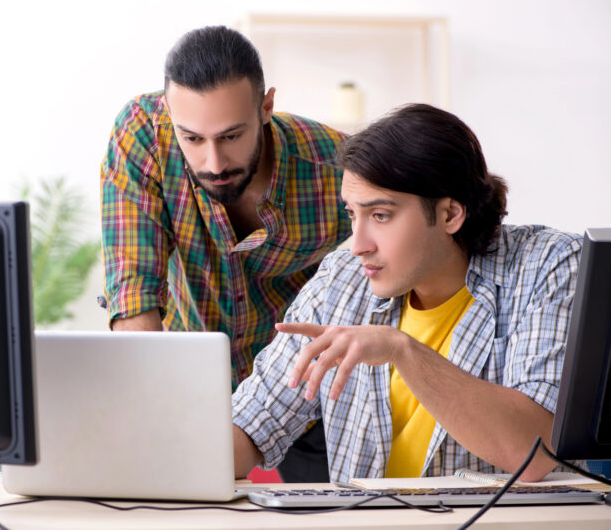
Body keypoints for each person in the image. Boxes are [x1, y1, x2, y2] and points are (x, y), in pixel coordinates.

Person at [232, 103, 582, 483]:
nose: (358, 244)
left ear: (450, 215)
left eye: (380, 215)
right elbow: (254, 420)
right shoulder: (343, 277)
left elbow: (533, 452)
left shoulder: (549, 264)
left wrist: (401, 349)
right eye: (352, 214)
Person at [100, 25, 351, 482]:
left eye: (232, 136)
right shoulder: (144, 135)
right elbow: (133, 288)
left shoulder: (335, 167)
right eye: (192, 139)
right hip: (185, 390)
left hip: (305, 401)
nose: (213, 163)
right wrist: (142, 421)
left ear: (267, 107)